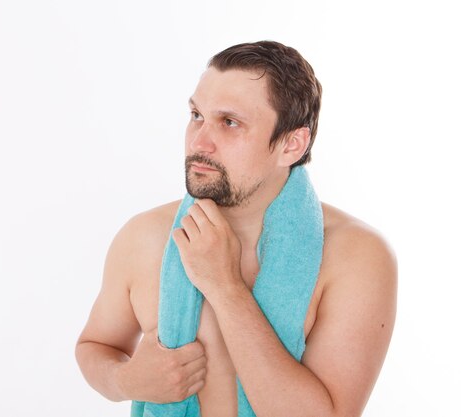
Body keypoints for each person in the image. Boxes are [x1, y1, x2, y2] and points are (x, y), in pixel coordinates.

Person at [75, 40, 397, 417]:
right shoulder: (144, 237)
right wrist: (125, 381)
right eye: (197, 115)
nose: (199, 142)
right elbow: (95, 345)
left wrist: (225, 287)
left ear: (292, 145)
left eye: (230, 123)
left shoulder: (355, 256)